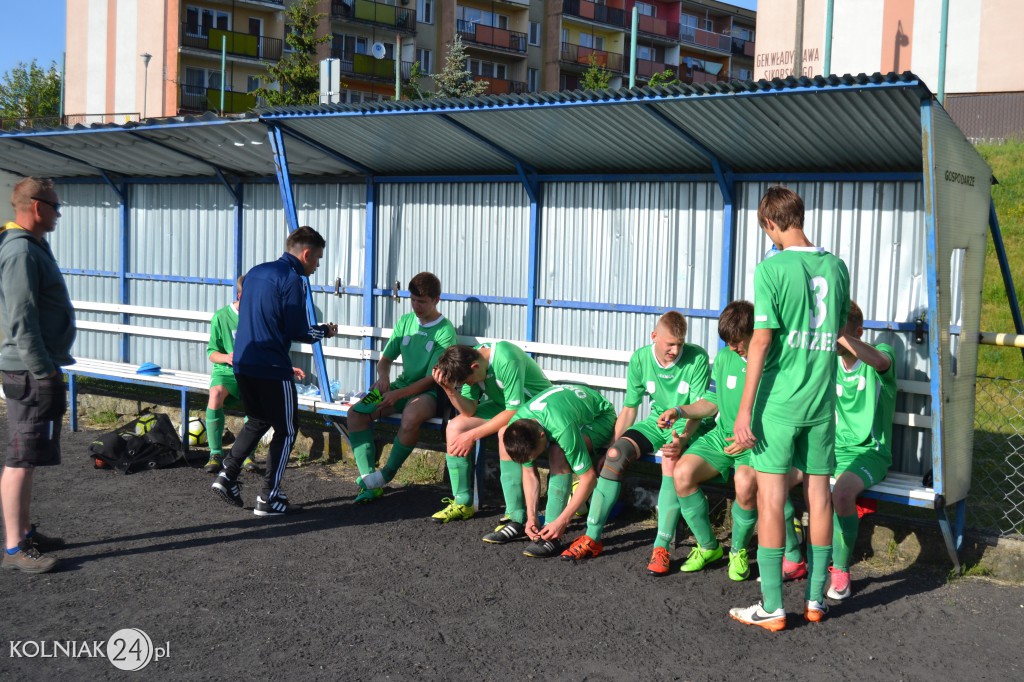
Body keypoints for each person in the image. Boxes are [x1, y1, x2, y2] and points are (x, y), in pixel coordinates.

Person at [729, 186, 850, 631]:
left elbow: (761, 340)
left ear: (770, 223)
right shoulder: (837, 267)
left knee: (772, 498)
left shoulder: (771, 268)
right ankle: (816, 599)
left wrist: (745, 411)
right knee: (818, 496)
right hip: (821, 403)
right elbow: (835, 329)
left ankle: (773, 607)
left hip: (779, 405)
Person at [559, 311, 711, 574]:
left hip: (686, 425)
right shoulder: (641, 358)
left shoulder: (697, 357)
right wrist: (611, 447)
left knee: (671, 461)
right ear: (654, 337)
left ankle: (661, 547)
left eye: (680, 344)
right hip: (655, 423)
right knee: (617, 455)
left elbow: (699, 408)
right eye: (670, 344)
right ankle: (592, 537)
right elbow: (630, 408)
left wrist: (683, 439)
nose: (675, 350)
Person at [211, 226, 337, 516]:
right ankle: (269, 497)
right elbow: (297, 330)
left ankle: (227, 475)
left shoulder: (255, 273)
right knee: (288, 428)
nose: (317, 265)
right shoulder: (293, 279)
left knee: (257, 420)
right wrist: (324, 332)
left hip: (243, 363)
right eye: (317, 258)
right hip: (271, 367)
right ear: (306, 254)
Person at [648, 300, 760, 581]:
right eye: (729, 342)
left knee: (745, 483)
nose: (733, 347)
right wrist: (680, 410)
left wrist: (752, 438)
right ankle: (709, 547)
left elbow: (783, 412)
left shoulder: (773, 361)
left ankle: (737, 550)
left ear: (755, 332)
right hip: (721, 438)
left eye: (738, 341)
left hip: (757, 443)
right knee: (681, 472)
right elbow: (711, 402)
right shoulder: (724, 358)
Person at [0, 178, 75, 573]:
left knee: (28, 457)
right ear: (36, 206)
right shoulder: (19, 252)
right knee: (19, 457)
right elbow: (21, 320)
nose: (59, 213)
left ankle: (23, 531)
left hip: (34, 367)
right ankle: (14, 549)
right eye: (55, 206)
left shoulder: (31, 246)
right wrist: (43, 371)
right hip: (29, 370)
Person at [351, 272, 456, 503]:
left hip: (429, 393)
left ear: (436, 300)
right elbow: (385, 359)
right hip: (399, 386)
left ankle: (386, 475)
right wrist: (383, 377)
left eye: (422, 301)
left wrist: (398, 394)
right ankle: (369, 479)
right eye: (413, 300)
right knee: (356, 413)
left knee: (410, 416)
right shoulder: (405, 322)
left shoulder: (445, 331)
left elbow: (432, 379)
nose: (416, 306)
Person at [429, 342, 552, 527]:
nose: (470, 384)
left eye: (468, 381)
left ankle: (515, 514)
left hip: (536, 408)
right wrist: (450, 390)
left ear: (475, 367)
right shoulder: (473, 360)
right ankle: (462, 502)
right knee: (455, 427)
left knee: (506, 433)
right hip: (504, 406)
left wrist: (472, 436)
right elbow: (469, 410)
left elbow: (514, 410)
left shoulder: (506, 358)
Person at [827, 301, 897, 600]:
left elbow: (881, 362)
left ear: (858, 332)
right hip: (834, 449)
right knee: (774, 478)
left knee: (841, 494)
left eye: (839, 333)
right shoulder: (828, 362)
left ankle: (841, 569)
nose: (832, 339)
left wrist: (839, 335)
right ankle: (794, 555)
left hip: (871, 453)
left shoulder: (880, 355)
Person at [203, 275, 305, 474]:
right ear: (241, 295)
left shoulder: (261, 316)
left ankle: (247, 454)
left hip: (254, 371)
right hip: (227, 373)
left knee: (257, 409)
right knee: (215, 394)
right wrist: (226, 357)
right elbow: (212, 353)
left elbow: (270, 350)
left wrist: (287, 368)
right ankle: (215, 454)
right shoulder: (221, 317)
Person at [502, 384, 616, 558]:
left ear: (542, 436)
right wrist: (531, 517)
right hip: (566, 412)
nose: (531, 461)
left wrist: (561, 522)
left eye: (533, 456)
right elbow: (529, 474)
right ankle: (573, 505)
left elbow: (590, 478)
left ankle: (552, 534)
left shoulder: (561, 428)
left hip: (601, 417)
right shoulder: (517, 425)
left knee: (558, 452)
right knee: (556, 450)